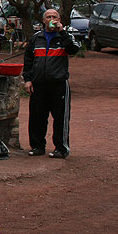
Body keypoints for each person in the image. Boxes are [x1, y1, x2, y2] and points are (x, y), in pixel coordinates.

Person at [23, 9, 80, 159]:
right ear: (43, 20)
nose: (51, 19)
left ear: (59, 19)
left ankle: (61, 148)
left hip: (58, 83)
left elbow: (74, 49)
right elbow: (28, 60)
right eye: (48, 17)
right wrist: (27, 79)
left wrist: (62, 32)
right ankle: (37, 146)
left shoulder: (65, 36)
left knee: (60, 117)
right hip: (38, 83)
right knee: (37, 116)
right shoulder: (36, 38)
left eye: (54, 17)